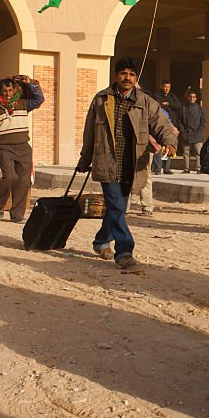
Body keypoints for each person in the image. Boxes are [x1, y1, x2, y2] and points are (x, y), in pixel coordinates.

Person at [77, 57, 177, 270]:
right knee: (115, 205)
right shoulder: (101, 99)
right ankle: (124, 251)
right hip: (106, 161)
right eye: (124, 74)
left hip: (131, 163)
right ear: (116, 75)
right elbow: (89, 132)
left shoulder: (145, 101)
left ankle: (101, 241)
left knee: (118, 209)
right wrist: (85, 159)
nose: (127, 78)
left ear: (136, 77)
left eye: (132, 75)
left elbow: (161, 123)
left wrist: (169, 141)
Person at [0, 75, 44, 222]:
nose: (7, 94)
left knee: (24, 180)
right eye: (4, 91)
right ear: (0, 92)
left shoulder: (23, 104)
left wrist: (31, 83)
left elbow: (39, 99)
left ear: (14, 90)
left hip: (23, 148)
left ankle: (17, 215)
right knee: (10, 177)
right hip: (5, 148)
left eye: (10, 90)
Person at [152, 80, 180, 175]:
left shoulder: (173, 97)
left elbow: (178, 106)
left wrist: (169, 105)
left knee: (170, 146)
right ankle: (157, 169)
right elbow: (156, 107)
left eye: (168, 87)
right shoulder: (156, 96)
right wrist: (165, 107)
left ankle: (167, 168)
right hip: (159, 124)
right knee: (158, 147)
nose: (166, 88)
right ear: (161, 86)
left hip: (171, 125)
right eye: (164, 87)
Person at [177, 90, 207, 173]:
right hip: (186, 134)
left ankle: (199, 168)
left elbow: (203, 121)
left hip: (197, 134)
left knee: (199, 153)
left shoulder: (200, 109)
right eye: (190, 97)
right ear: (188, 97)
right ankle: (186, 168)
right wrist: (182, 131)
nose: (192, 98)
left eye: (193, 97)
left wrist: (199, 131)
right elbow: (179, 120)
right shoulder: (183, 108)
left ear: (196, 98)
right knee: (186, 153)